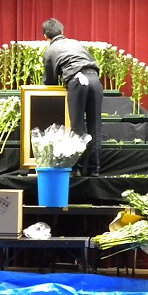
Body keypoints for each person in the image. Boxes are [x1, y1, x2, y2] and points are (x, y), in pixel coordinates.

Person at [42, 18, 103, 177]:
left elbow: (49, 81)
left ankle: (76, 169)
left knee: (77, 127)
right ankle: (94, 170)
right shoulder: (77, 43)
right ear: (62, 32)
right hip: (95, 80)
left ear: (45, 37)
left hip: (77, 81)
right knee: (95, 127)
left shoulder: (50, 50)